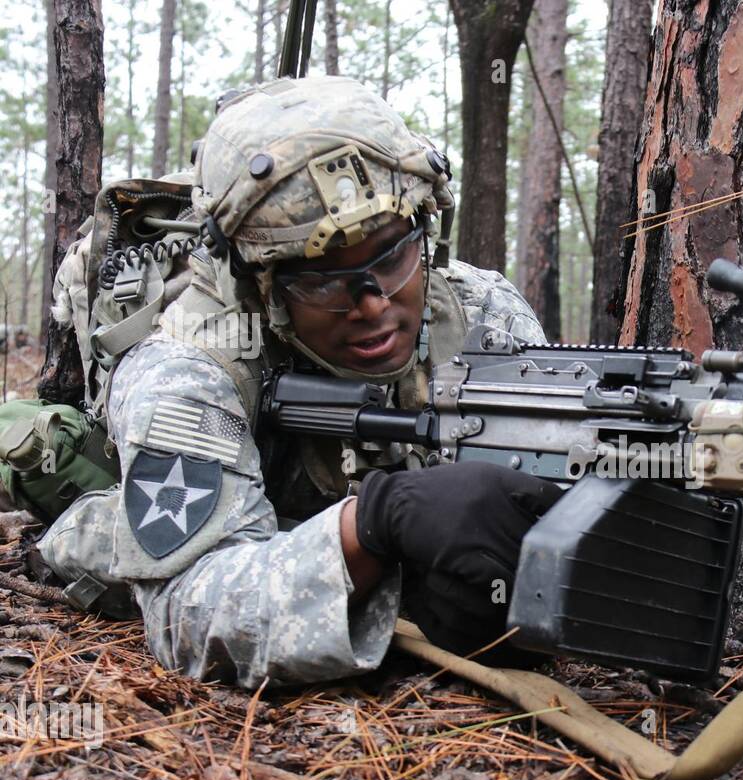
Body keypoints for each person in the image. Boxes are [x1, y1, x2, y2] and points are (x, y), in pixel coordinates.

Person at [37, 76, 563, 690]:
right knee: (95, 537)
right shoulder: (188, 368)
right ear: (261, 284)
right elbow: (188, 614)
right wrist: (374, 532)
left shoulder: (484, 313)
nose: (372, 305)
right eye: (322, 281)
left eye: (392, 257)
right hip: (231, 499)